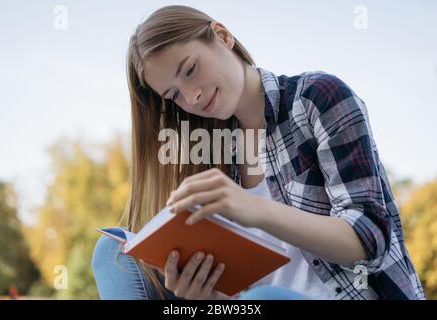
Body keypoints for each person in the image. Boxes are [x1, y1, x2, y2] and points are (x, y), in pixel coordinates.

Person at [91, 5, 425, 300]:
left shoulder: (315, 99)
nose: (192, 98)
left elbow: (369, 238)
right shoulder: (209, 153)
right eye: (175, 94)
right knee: (112, 253)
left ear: (222, 36)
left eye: (191, 69)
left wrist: (253, 207)